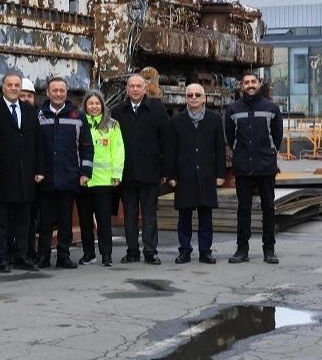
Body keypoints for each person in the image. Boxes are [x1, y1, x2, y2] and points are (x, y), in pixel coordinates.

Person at [0, 73, 45, 272]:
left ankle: (21, 255)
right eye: (9, 85)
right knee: (1, 220)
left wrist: (39, 169)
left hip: (26, 174)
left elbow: (38, 142)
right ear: (2, 87)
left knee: (23, 220)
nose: (13, 88)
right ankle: (1, 257)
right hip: (3, 173)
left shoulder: (30, 111)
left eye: (16, 85)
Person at [111, 74, 170, 265]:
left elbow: (166, 142)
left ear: (145, 89)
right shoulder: (117, 112)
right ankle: (132, 251)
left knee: (149, 215)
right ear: (126, 89)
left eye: (139, 86)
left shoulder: (158, 111)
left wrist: (165, 171)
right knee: (129, 216)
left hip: (150, 173)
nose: (135, 89)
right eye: (132, 86)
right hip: (126, 173)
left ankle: (150, 252)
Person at [224, 71, 283, 264]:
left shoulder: (272, 108)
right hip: (243, 167)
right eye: (246, 82)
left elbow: (277, 137)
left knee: (268, 209)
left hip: (265, 166)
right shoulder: (233, 109)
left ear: (259, 84)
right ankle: (242, 250)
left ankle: (269, 250)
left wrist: (269, 154)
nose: (250, 85)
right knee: (243, 209)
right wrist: (240, 155)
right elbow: (231, 137)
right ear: (241, 86)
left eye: (253, 82)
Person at [36, 77, 93, 269]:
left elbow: (86, 146)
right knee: (45, 221)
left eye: (62, 90)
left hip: (69, 176)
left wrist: (85, 172)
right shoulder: (39, 116)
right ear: (47, 92)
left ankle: (63, 256)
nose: (58, 94)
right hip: (45, 176)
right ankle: (43, 256)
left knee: (65, 220)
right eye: (55, 90)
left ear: (66, 92)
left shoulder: (78, 116)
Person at [168, 84, 226, 264]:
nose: (194, 98)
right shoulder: (176, 121)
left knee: (206, 216)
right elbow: (171, 150)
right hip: (184, 176)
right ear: (186, 98)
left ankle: (205, 251)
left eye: (197, 95)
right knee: (184, 217)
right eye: (190, 95)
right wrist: (172, 175)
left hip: (207, 175)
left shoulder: (215, 119)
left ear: (204, 98)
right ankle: (184, 250)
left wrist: (220, 174)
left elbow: (220, 148)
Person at [78, 89, 124, 267]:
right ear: (85, 105)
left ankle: (106, 255)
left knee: (104, 221)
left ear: (103, 105)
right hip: (84, 181)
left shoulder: (112, 125)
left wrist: (116, 175)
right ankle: (88, 254)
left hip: (104, 181)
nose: (94, 107)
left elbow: (118, 151)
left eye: (97, 103)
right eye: (90, 103)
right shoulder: (79, 123)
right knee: (85, 221)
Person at [19, 76, 39, 261]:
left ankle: (30, 249)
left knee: (32, 217)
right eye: (22, 95)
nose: (26, 99)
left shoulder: (37, 116)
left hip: (35, 176)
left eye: (29, 96)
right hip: (17, 176)